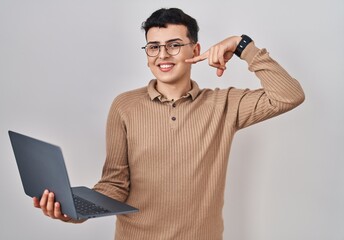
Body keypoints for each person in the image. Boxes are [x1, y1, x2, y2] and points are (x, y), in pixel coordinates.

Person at [33, 7, 305, 240]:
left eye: (174, 45)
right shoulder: (124, 105)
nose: (163, 55)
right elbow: (115, 184)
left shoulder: (224, 105)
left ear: (195, 50)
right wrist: (75, 211)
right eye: (154, 47)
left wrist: (241, 45)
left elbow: (288, 95)